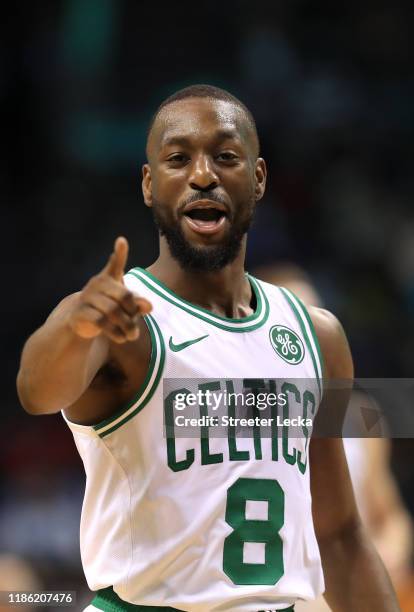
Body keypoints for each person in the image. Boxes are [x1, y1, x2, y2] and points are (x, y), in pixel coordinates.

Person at [17, 85, 400, 612]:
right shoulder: (116, 318)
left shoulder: (318, 336)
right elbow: (36, 390)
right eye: (178, 159)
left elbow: (339, 535)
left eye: (225, 156)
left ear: (258, 178)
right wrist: (76, 329)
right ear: (150, 185)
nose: (202, 175)